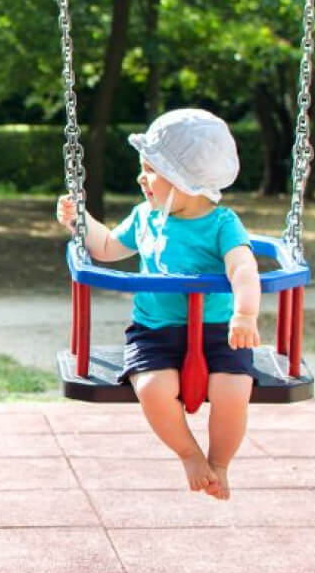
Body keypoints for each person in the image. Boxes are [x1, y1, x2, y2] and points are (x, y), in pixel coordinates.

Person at [56, 108, 261, 501]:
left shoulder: (223, 225)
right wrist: (79, 219)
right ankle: (188, 454)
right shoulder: (144, 218)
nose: (140, 178)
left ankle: (219, 464)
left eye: (150, 170)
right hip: (155, 332)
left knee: (234, 391)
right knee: (152, 388)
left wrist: (245, 313)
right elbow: (105, 247)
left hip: (220, 331)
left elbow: (243, 268)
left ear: (186, 180)